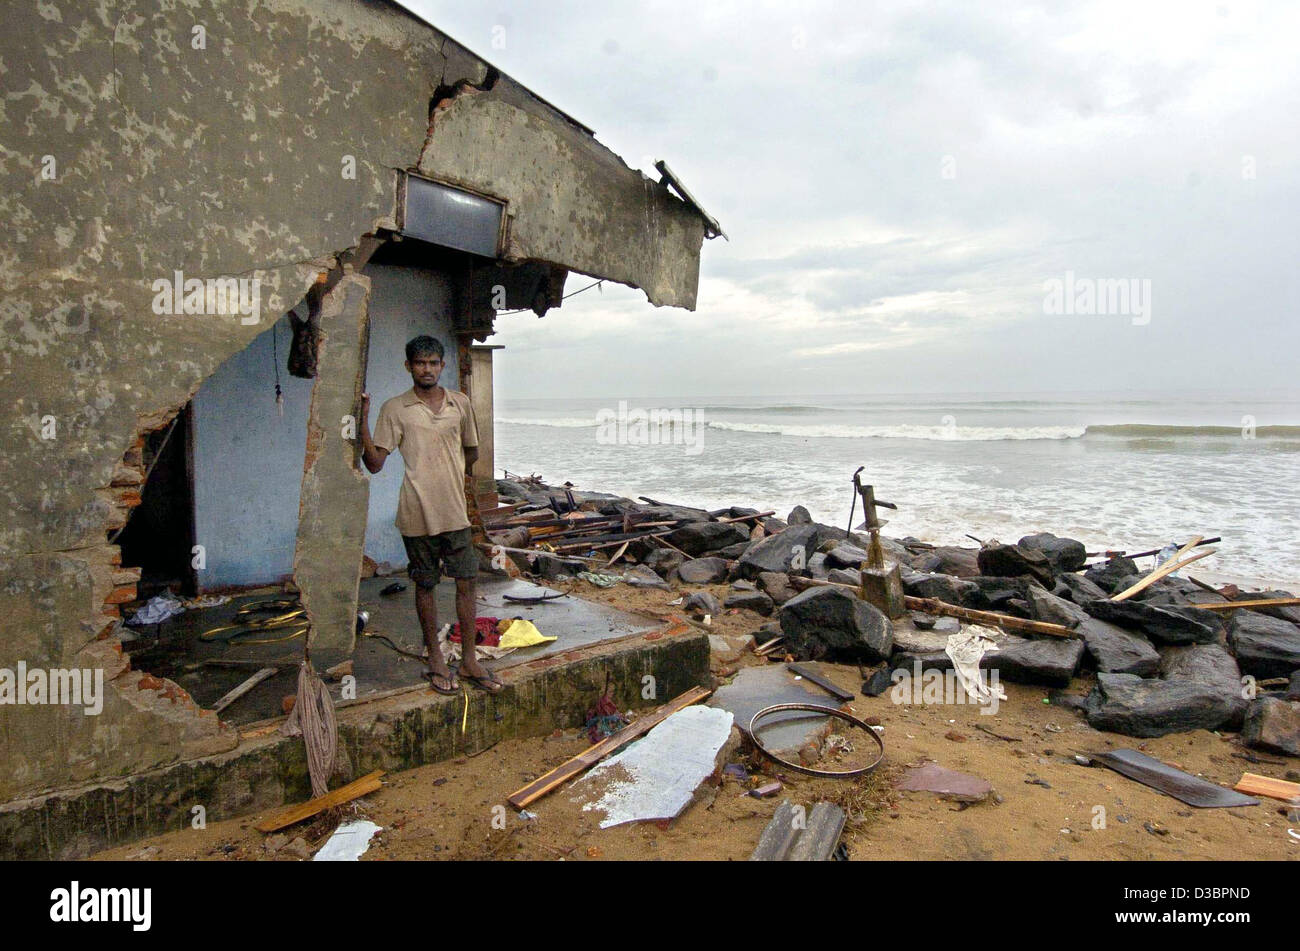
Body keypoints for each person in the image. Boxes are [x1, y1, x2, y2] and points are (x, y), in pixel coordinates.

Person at [359, 335, 502, 695]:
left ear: (442, 365)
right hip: (416, 514)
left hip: (455, 513)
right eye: (420, 363)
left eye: (434, 362)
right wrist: (360, 420)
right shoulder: (395, 409)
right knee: (425, 584)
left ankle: (469, 660)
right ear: (408, 367)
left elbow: (471, 453)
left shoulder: (460, 403)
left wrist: (446, 477)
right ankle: (436, 660)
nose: (427, 369)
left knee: (467, 582)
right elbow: (374, 464)